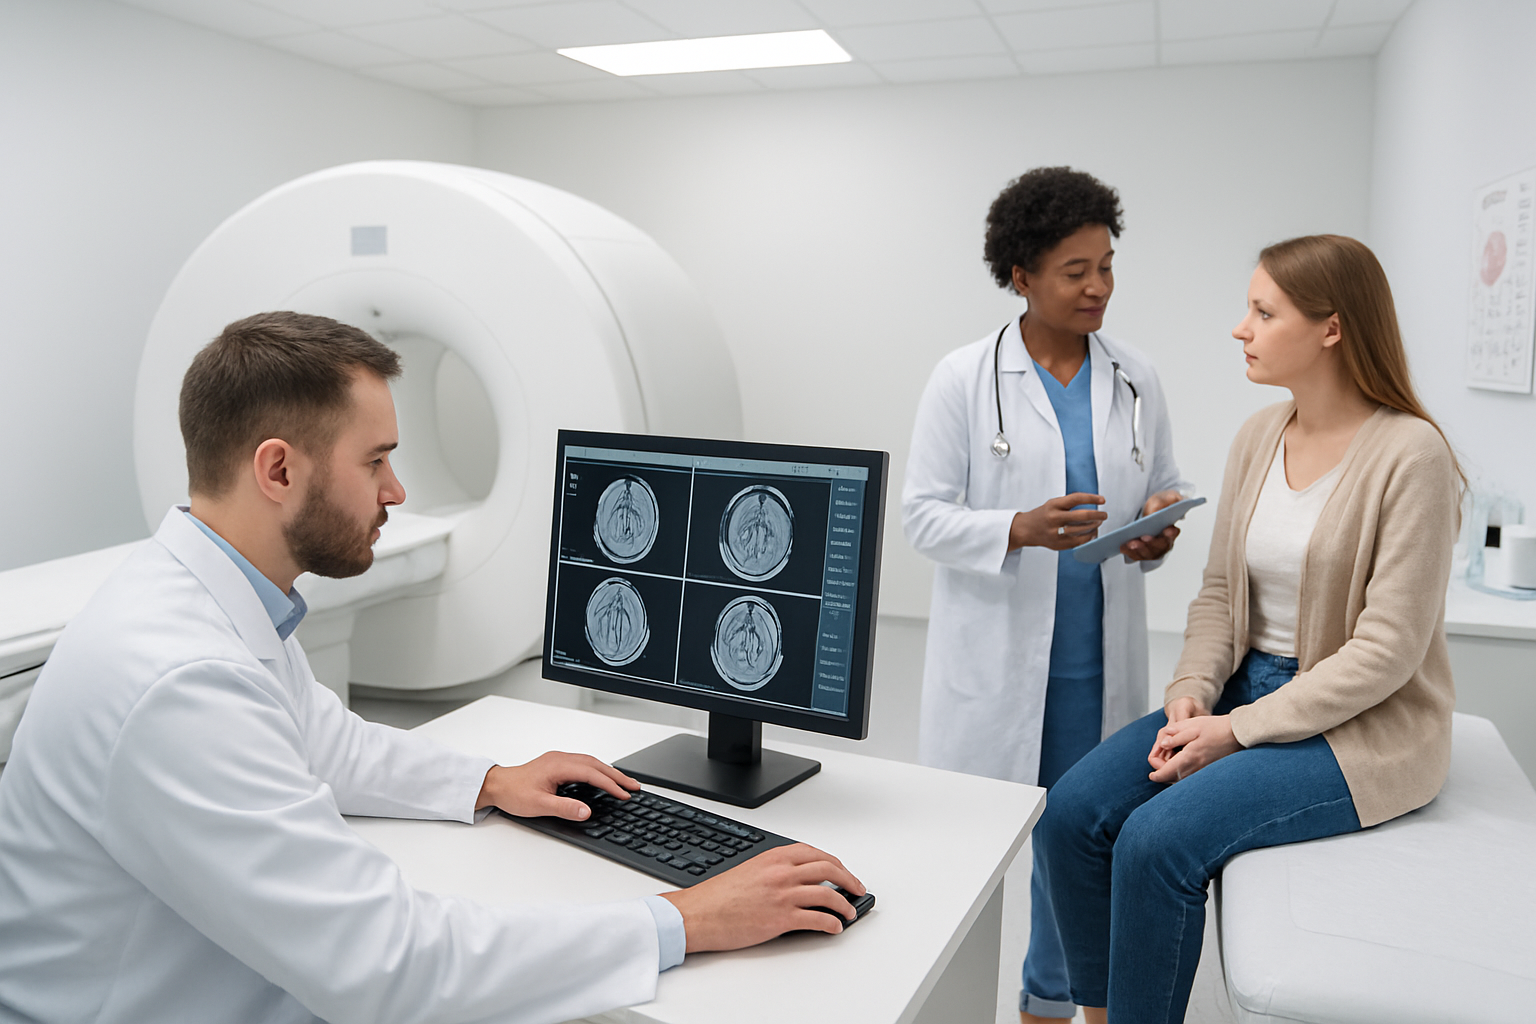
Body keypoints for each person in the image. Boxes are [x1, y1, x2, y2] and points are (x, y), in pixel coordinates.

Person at [0, 312, 865, 1024]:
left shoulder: (211, 596)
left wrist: (489, 779)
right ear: (277, 468)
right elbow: (392, 969)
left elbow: (323, 744)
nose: (397, 490)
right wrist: (681, 920)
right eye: (375, 460)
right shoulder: (179, 679)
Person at [1036, 234, 1462, 1024]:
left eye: (1263, 313)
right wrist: (1193, 696)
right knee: (1069, 813)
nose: (1241, 329)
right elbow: (1222, 592)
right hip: (1240, 689)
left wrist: (1237, 731)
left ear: (1332, 328)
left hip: (1358, 724)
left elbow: (1387, 653)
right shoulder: (1259, 436)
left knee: (1157, 843)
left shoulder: (1413, 455)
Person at [901, 166, 1190, 1022]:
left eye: (1107, 266)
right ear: (1021, 275)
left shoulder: (1136, 378)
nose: (1098, 287)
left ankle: (1047, 1003)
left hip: (1096, 664)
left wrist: (1160, 527)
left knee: (1079, 846)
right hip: (996, 669)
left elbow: (1165, 486)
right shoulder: (962, 377)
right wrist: (1017, 528)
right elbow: (920, 517)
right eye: (1076, 271)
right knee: (969, 856)